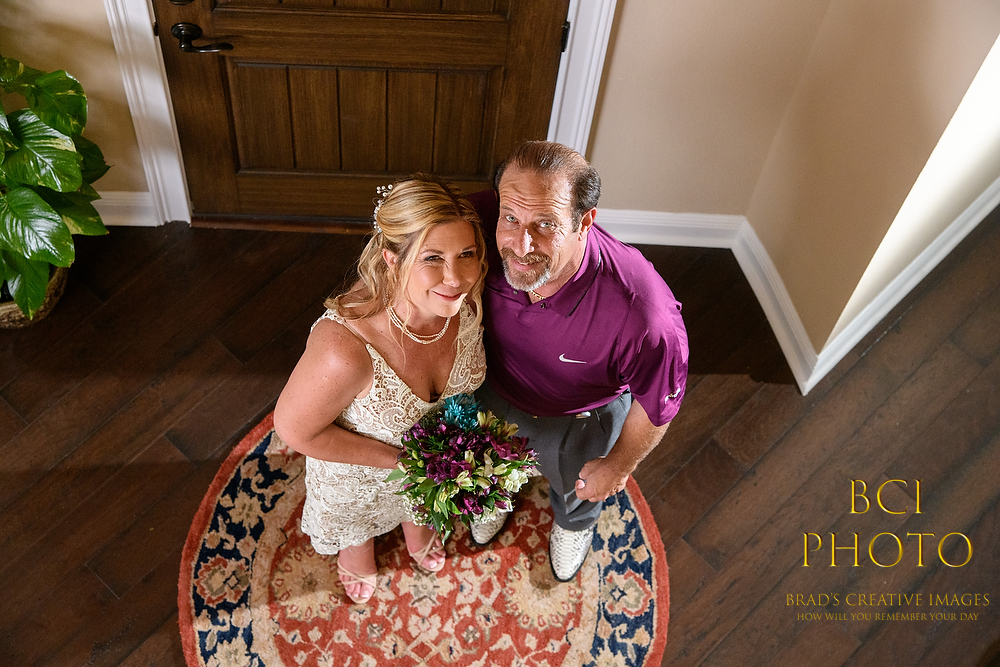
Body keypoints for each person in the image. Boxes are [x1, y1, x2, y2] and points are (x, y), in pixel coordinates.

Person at [468, 141, 688, 582]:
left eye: (546, 224)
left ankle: (574, 525)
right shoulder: (474, 224)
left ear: (584, 222)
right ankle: (495, 496)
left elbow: (657, 404)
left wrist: (617, 466)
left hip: (580, 419)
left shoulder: (645, 316)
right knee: (485, 469)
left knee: (579, 491)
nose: (521, 245)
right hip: (491, 388)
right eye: (510, 218)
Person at [273, 175, 487, 604]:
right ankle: (356, 550)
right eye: (432, 258)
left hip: (429, 460)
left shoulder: (465, 300)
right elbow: (294, 430)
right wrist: (407, 464)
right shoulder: (345, 348)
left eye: (466, 254)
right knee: (358, 526)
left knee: (420, 509)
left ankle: (416, 522)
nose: (455, 277)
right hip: (360, 475)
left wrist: (435, 468)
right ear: (391, 259)